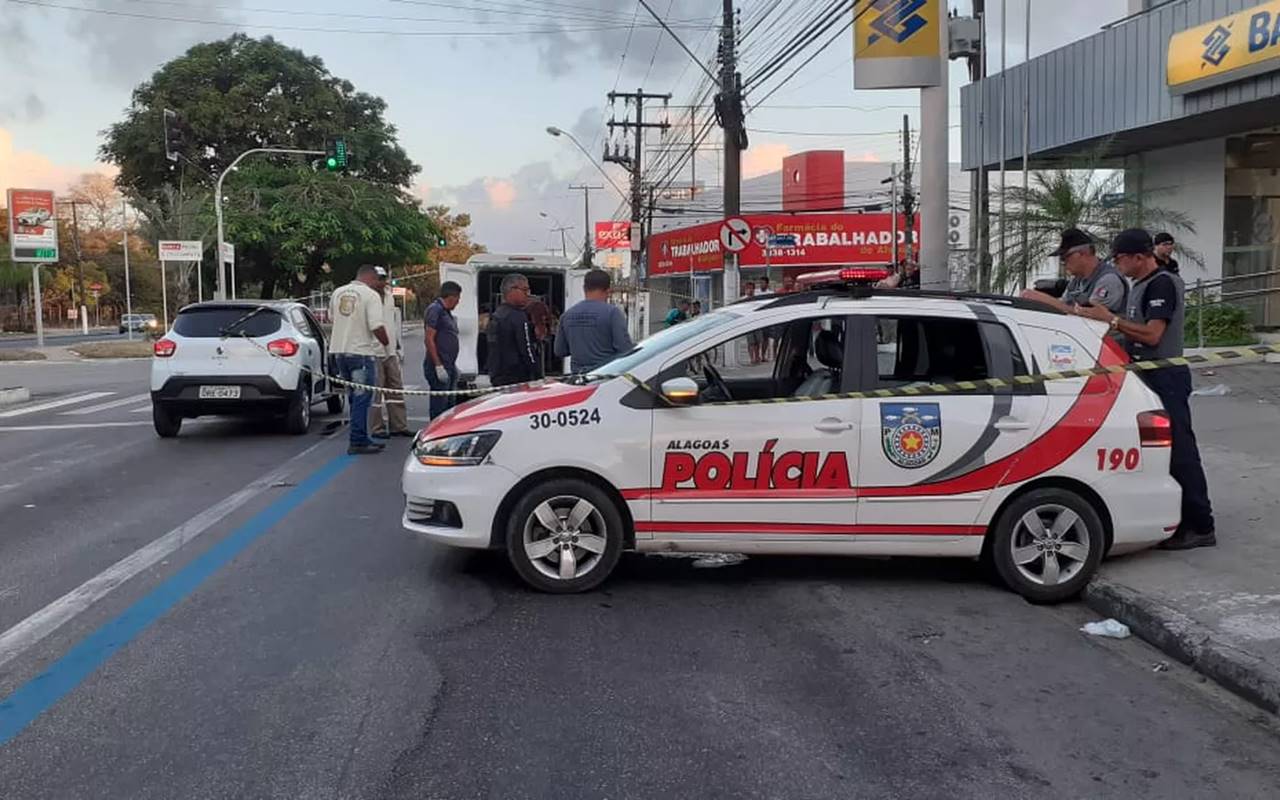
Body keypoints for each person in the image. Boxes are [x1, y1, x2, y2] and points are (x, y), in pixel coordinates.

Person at [1079, 229, 1215, 550]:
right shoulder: (1139, 286)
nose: (1116, 264)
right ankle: (1177, 518)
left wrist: (1111, 320)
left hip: (1165, 375)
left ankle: (1201, 524)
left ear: (1140, 257)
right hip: (1146, 373)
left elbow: (1153, 335)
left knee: (1181, 451)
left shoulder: (1162, 284)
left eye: (1120, 258)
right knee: (1159, 451)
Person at [328, 265, 390, 455]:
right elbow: (376, 325)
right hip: (360, 353)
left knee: (353, 397)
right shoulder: (370, 295)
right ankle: (357, 441)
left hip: (339, 352)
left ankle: (361, 436)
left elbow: (332, 318)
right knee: (362, 398)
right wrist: (386, 343)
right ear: (370, 278)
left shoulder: (337, 292)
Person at [1021, 228, 1127, 316]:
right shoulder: (1077, 280)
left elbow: (1094, 317)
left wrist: (1046, 300)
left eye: (1065, 257)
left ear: (1082, 253)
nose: (1063, 263)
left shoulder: (1108, 279)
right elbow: (1065, 305)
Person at [554, 268, 633, 374]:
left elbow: (559, 351)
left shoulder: (567, 315)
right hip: (606, 377)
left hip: (579, 378)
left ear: (584, 288)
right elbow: (625, 349)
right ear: (608, 291)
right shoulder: (612, 313)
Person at [367, 267, 412, 438]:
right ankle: (376, 427)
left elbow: (392, 322)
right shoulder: (367, 296)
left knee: (395, 389)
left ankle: (398, 425)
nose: (383, 282)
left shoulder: (389, 295)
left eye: (384, 278)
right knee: (375, 392)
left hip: (390, 350)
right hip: (374, 350)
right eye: (380, 278)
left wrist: (398, 346)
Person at [486, 273, 539, 387]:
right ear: (511, 290)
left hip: (497, 375)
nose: (528, 294)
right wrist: (537, 373)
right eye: (525, 290)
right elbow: (526, 348)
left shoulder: (497, 314)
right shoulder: (518, 316)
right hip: (516, 377)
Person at [424, 280, 462, 419]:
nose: (458, 302)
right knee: (439, 405)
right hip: (439, 364)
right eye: (458, 299)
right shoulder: (436, 309)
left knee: (449, 405)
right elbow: (429, 338)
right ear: (451, 296)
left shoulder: (447, 313)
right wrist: (438, 365)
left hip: (449, 364)